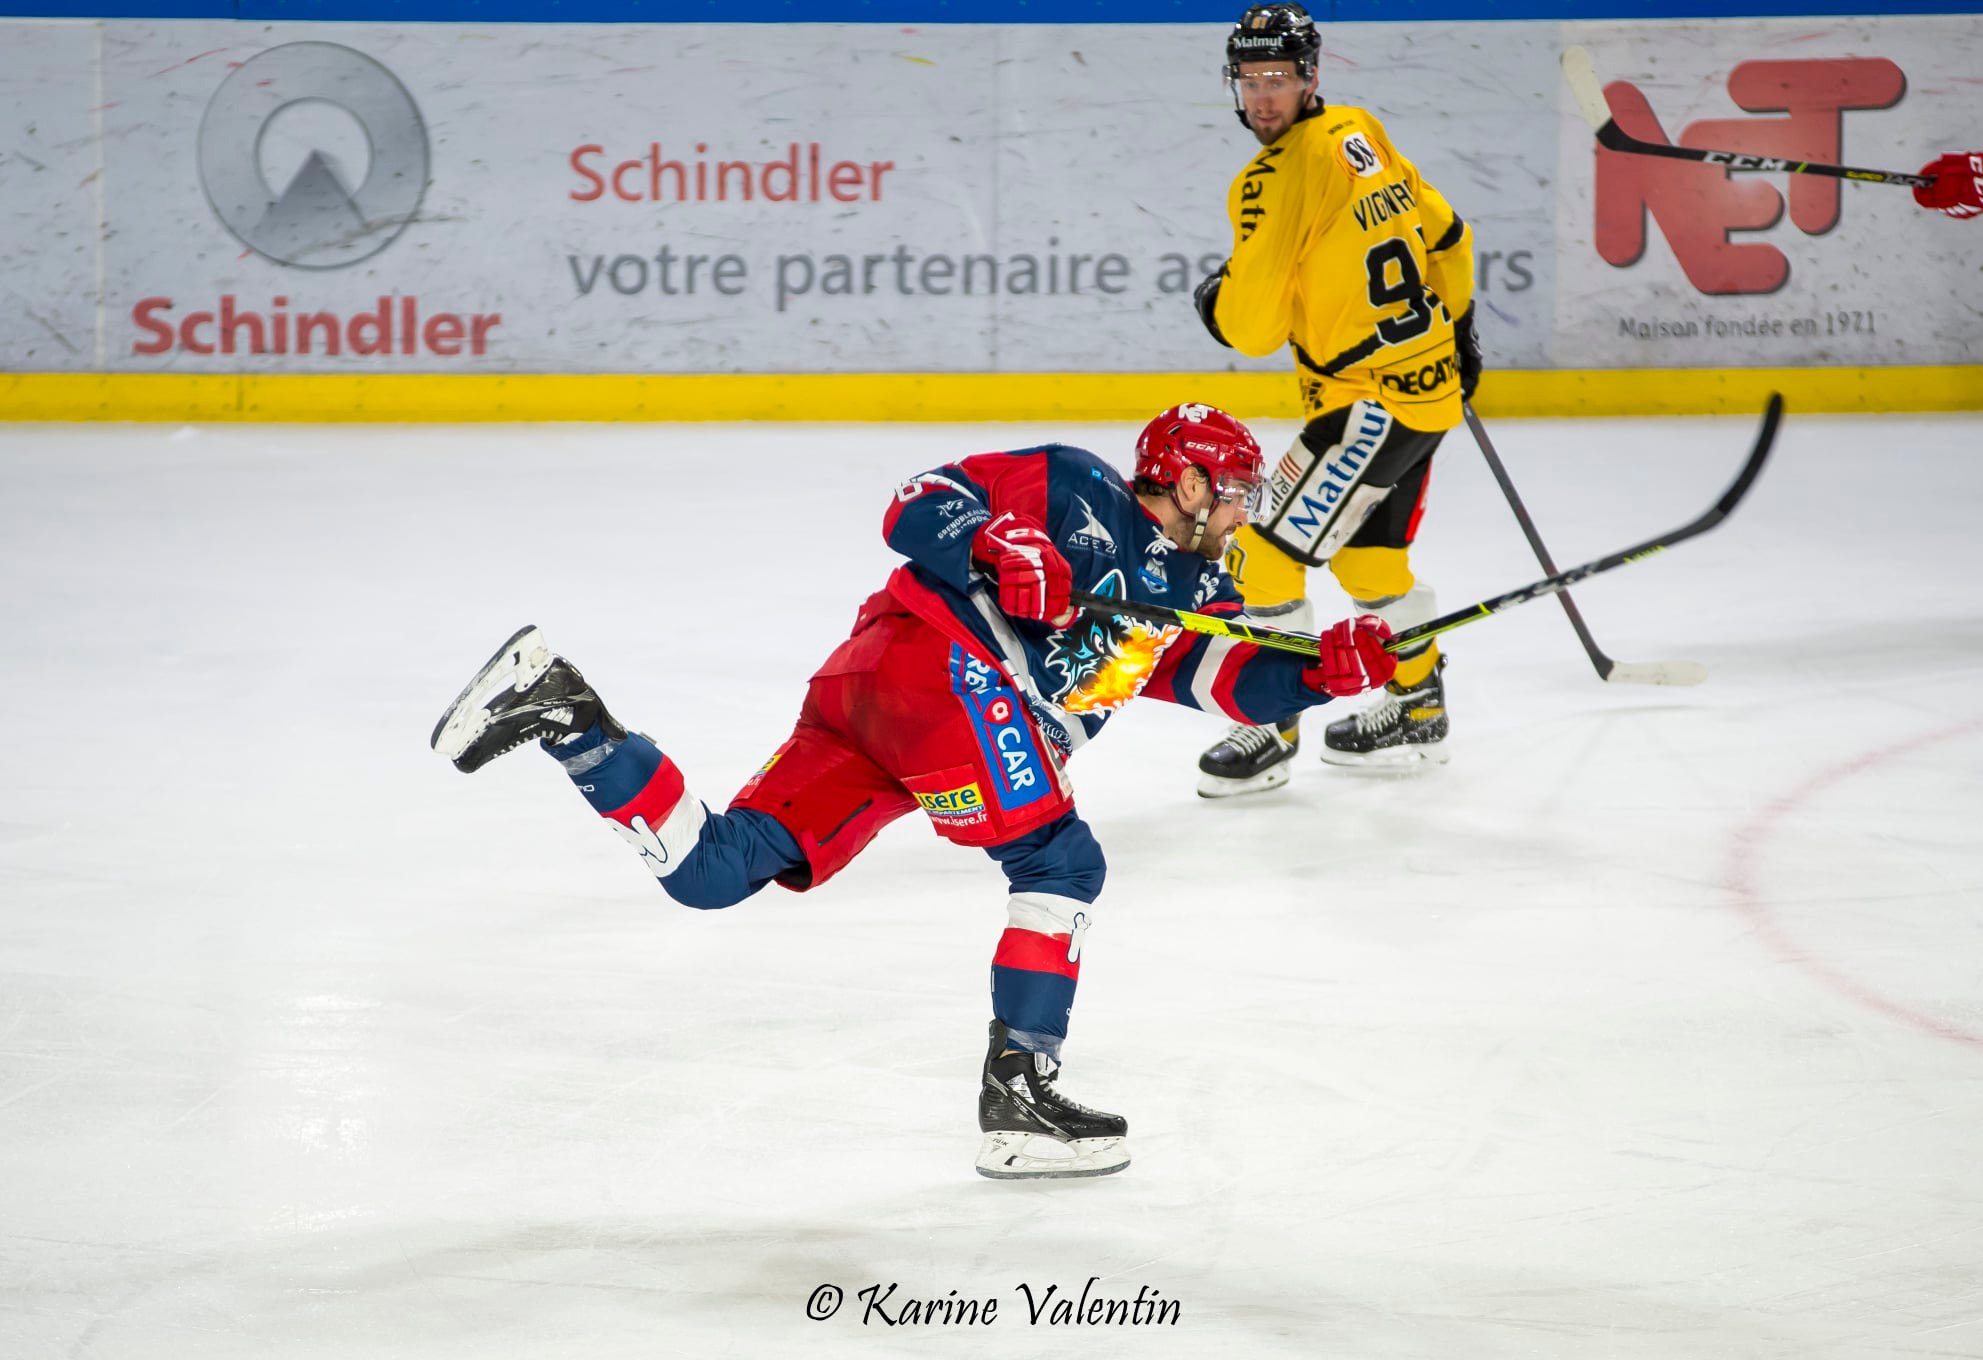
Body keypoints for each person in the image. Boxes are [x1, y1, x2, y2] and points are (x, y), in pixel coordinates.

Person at [431, 405, 1396, 1180]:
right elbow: (916, 500)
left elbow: (1211, 680)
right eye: (1229, 497)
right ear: (1184, 481)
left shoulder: (1196, 593)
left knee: (713, 871)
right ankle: (1019, 1093)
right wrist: (998, 544)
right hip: (942, 669)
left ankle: (566, 717)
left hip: (879, 697)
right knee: (1059, 859)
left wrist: (1323, 673)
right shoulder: (1075, 484)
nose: (1240, 517)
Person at [1191, 2, 1482, 797]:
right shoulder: (1359, 130)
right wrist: (1458, 327)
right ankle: (1417, 710)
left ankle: (1270, 724)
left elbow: (1248, 328)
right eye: (1248, 81)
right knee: (1370, 558)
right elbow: (1448, 236)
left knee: (1259, 556)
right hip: (1429, 395)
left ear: (1311, 77)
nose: (1261, 99)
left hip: (1366, 403)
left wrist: (1215, 301)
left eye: (1277, 79)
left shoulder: (1271, 176)